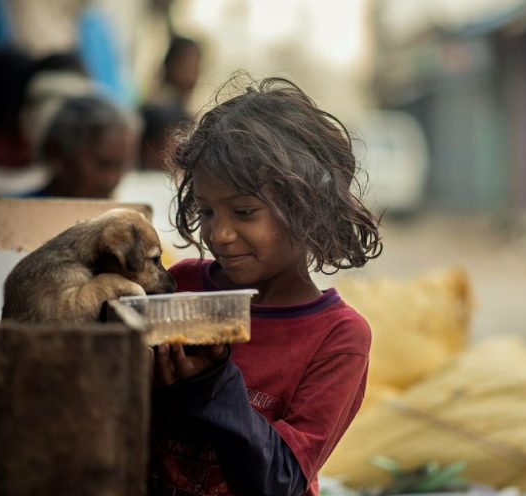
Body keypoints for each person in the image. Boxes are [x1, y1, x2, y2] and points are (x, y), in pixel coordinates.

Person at [149, 75, 383, 496]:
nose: (219, 234)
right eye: (207, 211)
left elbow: (281, 481)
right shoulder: (182, 286)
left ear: (306, 208)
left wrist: (210, 385)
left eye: (243, 212)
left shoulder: (338, 337)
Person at [26, 94, 133, 198]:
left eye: (120, 166)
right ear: (57, 153)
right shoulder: (19, 212)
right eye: (103, 164)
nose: (111, 181)